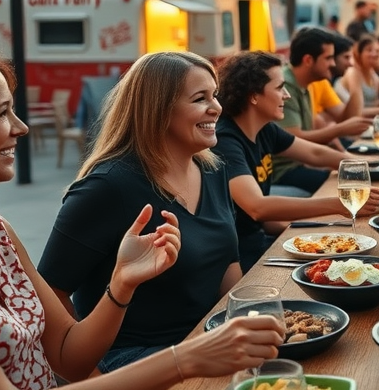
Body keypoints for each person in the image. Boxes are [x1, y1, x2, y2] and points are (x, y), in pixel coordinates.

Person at [0, 49, 284, 390]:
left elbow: (68, 356)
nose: (22, 127)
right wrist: (185, 358)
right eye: (3, 113)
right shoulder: (110, 184)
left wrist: (121, 284)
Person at [39, 52, 248, 372]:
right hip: (133, 357)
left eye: (214, 95)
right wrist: (92, 376)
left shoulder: (213, 170)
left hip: (206, 339)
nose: (216, 108)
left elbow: (228, 264)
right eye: (200, 98)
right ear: (159, 111)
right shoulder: (107, 187)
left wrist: (249, 319)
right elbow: (49, 293)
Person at [213, 51, 379, 271]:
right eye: (279, 88)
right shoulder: (226, 140)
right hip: (242, 258)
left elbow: (316, 154)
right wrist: (338, 204)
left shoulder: (265, 129)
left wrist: (364, 167)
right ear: (253, 95)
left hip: (262, 241)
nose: (287, 95)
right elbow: (257, 207)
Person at [272, 27, 372, 195]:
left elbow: (345, 118)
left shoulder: (308, 83)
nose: (333, 64)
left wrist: (355, 85)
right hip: (281, 172)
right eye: (329, 58)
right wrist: (341, 132)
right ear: (308, 60)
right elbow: (294, 139)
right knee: (347, 187)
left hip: (299, 165)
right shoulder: (286, 85)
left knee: (355, 181)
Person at [338, 35, 379, 111]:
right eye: (369, 50)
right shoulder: (353, 72)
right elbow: (356, 110)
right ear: (359, 54)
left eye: (377, 51)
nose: (374, 54)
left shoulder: (371, 73)